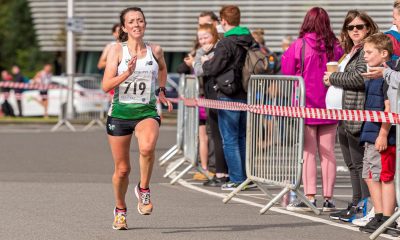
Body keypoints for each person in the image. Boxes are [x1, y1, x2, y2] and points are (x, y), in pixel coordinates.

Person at [102, 7, 172, 230]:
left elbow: (162, 69)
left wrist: (161, 90)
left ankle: (144, 189)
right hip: (120, 113)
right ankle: (120, 210)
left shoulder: (155, 50)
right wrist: (126, 73)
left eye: (140, 20)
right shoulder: (116, 51)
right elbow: (106, 86)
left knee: (147, 148)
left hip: (146, 112)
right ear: (124, 27)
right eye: (131, 21)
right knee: (122, 170)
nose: (136, 24)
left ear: (145, 24)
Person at [281, 7, 344, 212]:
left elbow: (287, 73)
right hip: (330, 105)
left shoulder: (298, 45)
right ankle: (328, 199)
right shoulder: (335, 46)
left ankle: (309, 196)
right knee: (329, 154)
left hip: (305, 106)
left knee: (308, 153)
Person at [323, 10, 378, 222]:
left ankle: (365, 206)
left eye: (359, 26)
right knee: (352, 164)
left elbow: (359, 78)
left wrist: (334, 77)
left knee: (359, 163)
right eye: (350, 27)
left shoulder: (368, 49)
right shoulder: (351, 50)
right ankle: (357, 204)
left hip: (356, 114)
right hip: (343, 115)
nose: (355, 30)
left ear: (368, 28)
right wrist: (331, 77)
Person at [202, 5, 256, 191]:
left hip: (228, 93)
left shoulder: (226, 42)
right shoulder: (249, 39)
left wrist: (205, 64)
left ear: (223, 21)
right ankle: (244, 177)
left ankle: (237, 178)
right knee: (240, 137)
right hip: (245, 91)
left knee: (230, 139)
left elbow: (215, 67)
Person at [357, 33, 397, 235]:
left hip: (382, 135)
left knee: (385, 176)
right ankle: (379, 213)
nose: (365, 56)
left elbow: (389, 107)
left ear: (384, 54)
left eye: (369, 52)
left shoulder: (387, 77)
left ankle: (388, 217)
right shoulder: (372, 75)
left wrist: (383, 133)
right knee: (369, 175)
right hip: (369, 132)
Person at [193, 23, 228, 185]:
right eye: (200, 38)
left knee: (223, 136)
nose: (202, 41)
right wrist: (202, 62)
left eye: (205, 37)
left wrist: (205, 62)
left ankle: (222, 173)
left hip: (220, 96)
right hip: (209, 97)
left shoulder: (219, 49)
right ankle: (220, 171)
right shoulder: (200, 52)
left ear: (214, 35)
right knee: (215, 135)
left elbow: (211, 69)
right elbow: (198, 71)